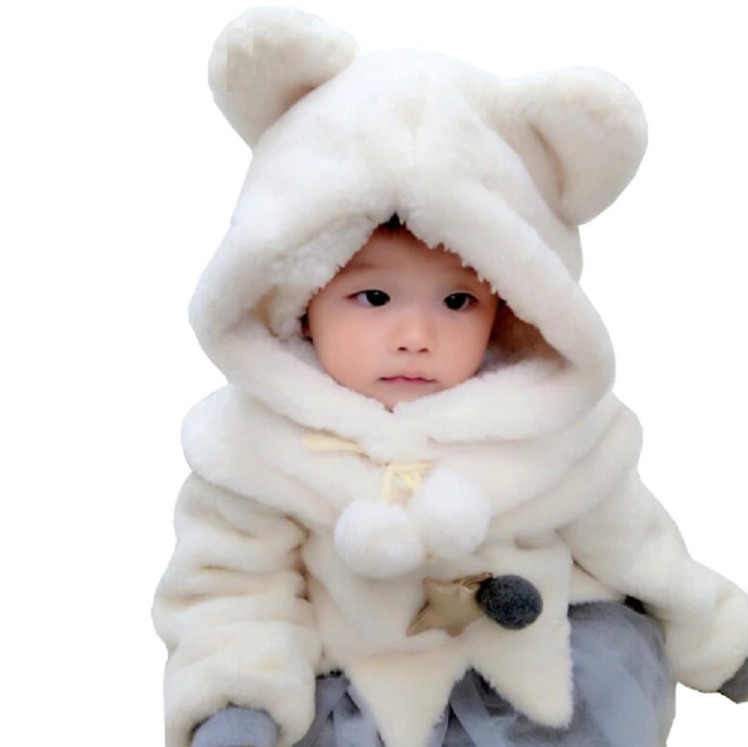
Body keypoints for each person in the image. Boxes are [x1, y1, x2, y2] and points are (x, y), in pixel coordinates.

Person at [153, 7, 748, 747]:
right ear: (298, 299)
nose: (416, 335)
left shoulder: (553, 426)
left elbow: (643, 549)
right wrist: (235, 703)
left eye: (458, 301)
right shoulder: (253, 448)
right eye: (373, 297)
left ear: (513, 310)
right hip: (358, 700)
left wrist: (721, 638)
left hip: (547, 689)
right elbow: (230, 591)